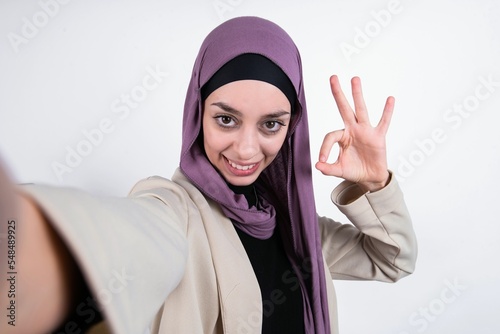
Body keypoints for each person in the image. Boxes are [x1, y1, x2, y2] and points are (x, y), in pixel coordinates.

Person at [0, 16, 417, 334]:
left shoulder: (297, 229)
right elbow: (128, 240)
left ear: (293, 128)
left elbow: (391, 260)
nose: (247, 149)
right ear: (197, 113)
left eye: (271, 124)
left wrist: (374, 182)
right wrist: (32, 246)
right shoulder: (174, 211)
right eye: (226, 119)